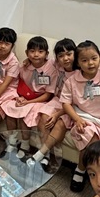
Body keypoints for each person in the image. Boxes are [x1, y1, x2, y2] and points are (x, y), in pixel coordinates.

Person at [33, 40, 100, 192]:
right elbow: (66, 103)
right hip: (81, 116)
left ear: (99, 58)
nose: (90, 63)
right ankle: (73, 167)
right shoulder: (72, 81)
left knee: (91, 139)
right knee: (88, 136)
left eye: (94, 58)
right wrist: (77, 119)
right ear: (78, 62)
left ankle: (80, 169)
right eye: (84, 60)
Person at [0, 36, 58, 159]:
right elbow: (19, 84)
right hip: (26, 97)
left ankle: (25, 144)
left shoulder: (51, 68)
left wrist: (28, 102)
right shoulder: (24, 67)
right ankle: (12, 141)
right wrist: (20, 98)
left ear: (47, 54)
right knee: (10, 108)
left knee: (25, 113)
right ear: (26, 53)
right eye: (32, 51)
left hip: (41, 99)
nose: (36, 54)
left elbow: (48, 95)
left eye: (40, 51)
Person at [23, 37, 76, 169]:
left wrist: (57, 114)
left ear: (75, 54)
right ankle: (45, 155)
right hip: (57, 100)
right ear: (57, 58)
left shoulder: (80, 73)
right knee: (43, 118)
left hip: (72, 105)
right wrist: (28, 61)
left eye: (69, 54)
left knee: (59, 123)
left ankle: (41, 153)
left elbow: (77, 101)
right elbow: (40, 60)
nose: (65, 59)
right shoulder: (57, 65)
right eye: (61, 56)